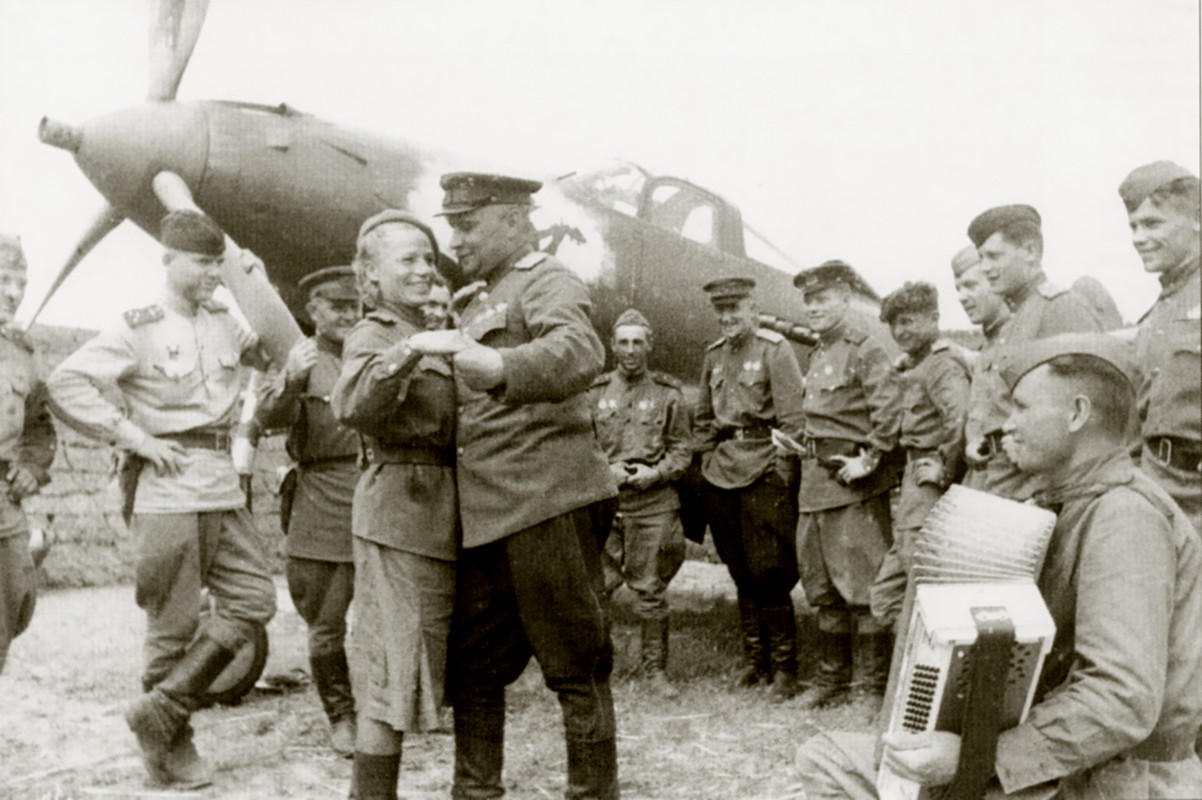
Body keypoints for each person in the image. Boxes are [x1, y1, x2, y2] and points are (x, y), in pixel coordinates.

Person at [795, 333, 1202, 799]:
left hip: (1117, 780)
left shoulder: (1124, 517)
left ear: (1077, 414)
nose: (1007, 426)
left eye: (1022, 408)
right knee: (828, 758)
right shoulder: (1068, 503)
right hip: (1062, 763)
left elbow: (1121, 699)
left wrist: (979, 758)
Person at [45, 210, 277, 789]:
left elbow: (271, 352)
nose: (211, 276)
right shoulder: (136, 327)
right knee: (171, 628)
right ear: (168, 260)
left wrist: (259, 285)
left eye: (216, 265)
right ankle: (171, 749)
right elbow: (66, 381)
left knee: (253, 600)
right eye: (201, 263)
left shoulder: (225, 319)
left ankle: (164, 706)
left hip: (221, 485)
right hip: (167, 490)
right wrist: (135, 437)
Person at [406, 173, 619, 800]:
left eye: (467, 224)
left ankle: (592, 796)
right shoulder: (476, 299)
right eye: (453, 224)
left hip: (545, 502)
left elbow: (581, 350)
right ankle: (475, 793)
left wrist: (499, 364)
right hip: (488, 515)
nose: (456, 238)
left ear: (512, 220)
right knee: (471, 665)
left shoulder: (546, 279)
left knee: (576, 664)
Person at [329, 211, 458, 800]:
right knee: (389, 671)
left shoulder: (435, 328)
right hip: (399, 517)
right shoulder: (376, 334)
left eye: (428, 258)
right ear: (371, 277)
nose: (423, 268)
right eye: (407, 258)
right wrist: (412, 347)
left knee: (415, 667)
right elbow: (354, 403)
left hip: (441, 514)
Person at [254, 265, 360, 757]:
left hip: (380, 491)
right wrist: (293, 380)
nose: (347, 315)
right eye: (336, 307)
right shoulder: (297, 360)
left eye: (354, 306)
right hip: (323, 500)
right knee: (326, 618)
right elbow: (267, 418)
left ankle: (402, 705)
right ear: (313, 310)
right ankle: (342, 716)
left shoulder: (371, 351)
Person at [791, 261, 903, 709]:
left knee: (861, 588)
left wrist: (869, 459)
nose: (814, 308)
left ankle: (868, 689)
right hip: (814, 485)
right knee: (822, 589)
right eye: (809, 301)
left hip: (851, 488)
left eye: (822, 299)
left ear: (845, 300)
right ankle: (830, 681)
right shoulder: (818, 353)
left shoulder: (866, 350)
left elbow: (889, 413)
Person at [693, 276, 805, 702]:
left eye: (735, 309)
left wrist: (781, 473)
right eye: (720, 311)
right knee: (740, 571)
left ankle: (785, 669)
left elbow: (793, 421)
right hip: (722, 472)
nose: (727, 318)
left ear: (753, 309)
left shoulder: (775, 350)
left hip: (763, 468)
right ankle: (754, 661)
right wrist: (706, 463)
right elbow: (704, 419)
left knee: (769, 572)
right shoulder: (713, 356)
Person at [962, 204, 1106, 500]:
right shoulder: (1015, 318)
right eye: (981, 258)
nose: (985, 267)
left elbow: (1092, 415)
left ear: (1030, 251)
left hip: (1035, 490)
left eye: (994, 256)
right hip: (1001, 481)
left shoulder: (1060, 309)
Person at [587, 308, 692, 697]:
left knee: (651, 589)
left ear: (649, 345)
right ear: (612, 346)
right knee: (599, 587)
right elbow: (581, 446)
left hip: (653, 502)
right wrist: (605, 472)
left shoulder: (668, 394)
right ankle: (600, 668)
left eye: (638, 342)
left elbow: (682, 450)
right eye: (623, 342)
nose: (631, 350)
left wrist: (656, 474)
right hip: (606, 501)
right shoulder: (595, 393)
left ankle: (654, 671)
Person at [868, 281, 970, 631]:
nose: (900, 331)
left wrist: (944, 468)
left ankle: (929, 664)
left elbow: (960, 419)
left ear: (934, 319)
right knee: (887, 596)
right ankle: (913, 661)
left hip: (927, 480)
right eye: (894, 324)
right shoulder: (918, 364)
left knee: (921, 582)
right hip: (914, 477)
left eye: (909, 321)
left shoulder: (942, 365)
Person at [1118, 160, 1201, 535]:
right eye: (1133, 226)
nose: (1138, 238)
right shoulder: (1156, 316)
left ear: (1197, 218)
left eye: (1152, 223)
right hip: (1157, 491)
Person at [0, 235, 56, 674]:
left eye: (20, 283)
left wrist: (33, 469)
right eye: (3, 280)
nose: (14, 293)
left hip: (5, 499)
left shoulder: (21, 352)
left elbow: (39, 427)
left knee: (16, 596)